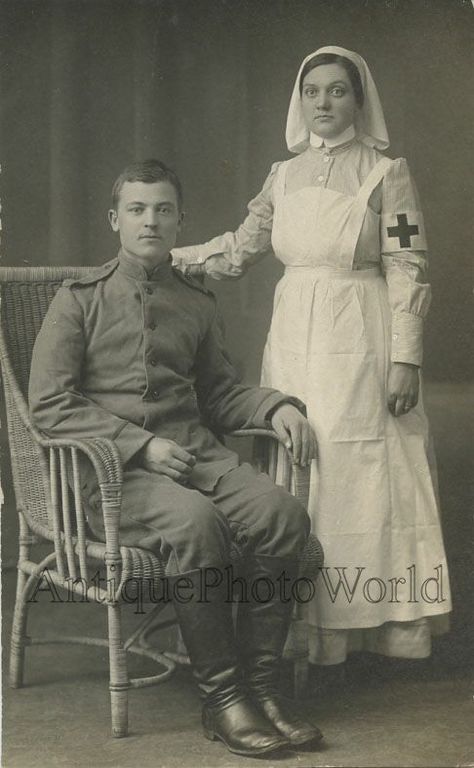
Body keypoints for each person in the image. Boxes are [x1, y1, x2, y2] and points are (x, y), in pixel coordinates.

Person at [172, 46, 452, 679]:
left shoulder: (388, 174)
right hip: (294, 334)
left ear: (359, 100)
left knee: (357, 466)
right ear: (298, 101)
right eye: (312, 92)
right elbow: (239, 252)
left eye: (336, 92)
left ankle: (366, 629)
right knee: (297, 458)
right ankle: (299, 632)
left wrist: (405, 358)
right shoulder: (283, 176)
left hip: (362, 334)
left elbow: (409, 265)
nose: (323, 104)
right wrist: (174, 256)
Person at [28, 159, 324, 756]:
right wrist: (140, 444)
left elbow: (217, 392)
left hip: (196, 455)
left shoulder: (195, 299)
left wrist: (274, 409)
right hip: (112, 474)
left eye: (163, 209)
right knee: (197, 524)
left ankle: (263, 689)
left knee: (283, 517)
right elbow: (49, 404)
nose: (151, 221)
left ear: (180, 219)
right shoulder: (77, 300)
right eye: (137, 209)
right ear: (115, 220)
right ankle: (222, 699)